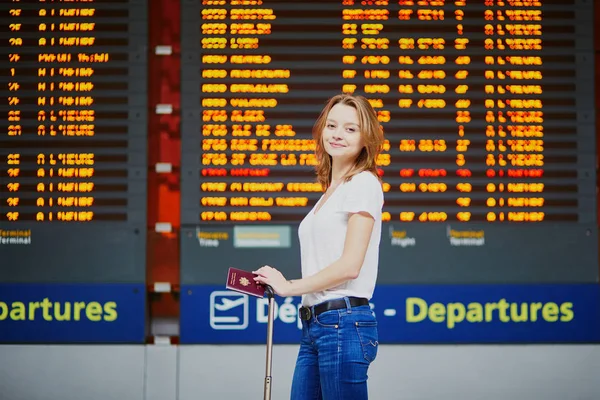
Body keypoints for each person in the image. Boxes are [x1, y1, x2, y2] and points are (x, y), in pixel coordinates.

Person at [253, 93, 385, 400]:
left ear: (366, 138)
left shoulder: (363, 183)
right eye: (332, 125)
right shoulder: (331, 192)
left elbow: (350, 265)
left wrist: (289, 286)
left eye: (351, 129)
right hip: (316, 325)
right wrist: (278, 282)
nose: (338, 134)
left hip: (342, 323)